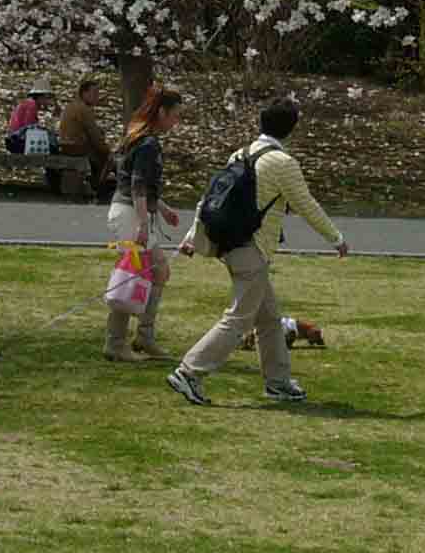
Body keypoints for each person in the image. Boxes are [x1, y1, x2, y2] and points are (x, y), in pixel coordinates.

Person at [168, 97, 346, 408]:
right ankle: (189, 372)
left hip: (232, 245)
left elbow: (209, 198)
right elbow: (306, 205)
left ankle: (278, 382)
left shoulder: (241, 153)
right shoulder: (283, 163)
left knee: (269, 318)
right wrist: (336, 238)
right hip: (252, 249)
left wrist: (191, 237)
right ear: (291, 129)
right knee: (238, 319)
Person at [105, 84, 186, 363]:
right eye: (175, 115)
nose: (176, 122)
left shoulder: (138, 137)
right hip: (131, 213)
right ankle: (118, 343)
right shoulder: (148, 143)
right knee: (133, 275)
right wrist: (142, 223)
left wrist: (161, 209)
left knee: (158, 272)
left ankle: (143, 336)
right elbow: (138, 187)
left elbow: (137, 183)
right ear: (161, 112)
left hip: (129, 210)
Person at [57, 76, 116, 198]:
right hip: (76, 147)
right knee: (108, 157)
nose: (96, 97)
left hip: (64, 145)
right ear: (84, 93)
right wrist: (107, 149)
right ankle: (98, 186)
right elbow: (94, 135)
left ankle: (94, 182)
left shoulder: (70, 106)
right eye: (94, 93)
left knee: (100, 154)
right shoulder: (84, 109)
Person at [4, 86, 53, 153]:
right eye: (47, 98)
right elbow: (29, 127)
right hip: (18, 140)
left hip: (15, 137)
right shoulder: (32, 105)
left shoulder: (28, 103)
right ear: (40, 97)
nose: (48, 101)